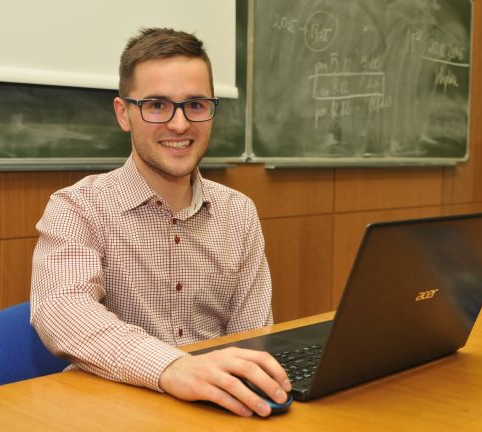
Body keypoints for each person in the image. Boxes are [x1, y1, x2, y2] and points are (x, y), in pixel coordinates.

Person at [30, 28, 291, 418]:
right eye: (156, 105)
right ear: (124, 113)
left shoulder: (239, 212)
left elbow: (252, 339)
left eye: (196, 105)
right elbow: (61, 309)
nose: (181, 125)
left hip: (215, 412)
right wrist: (171, 367)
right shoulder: (77, 207)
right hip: (113, 415)